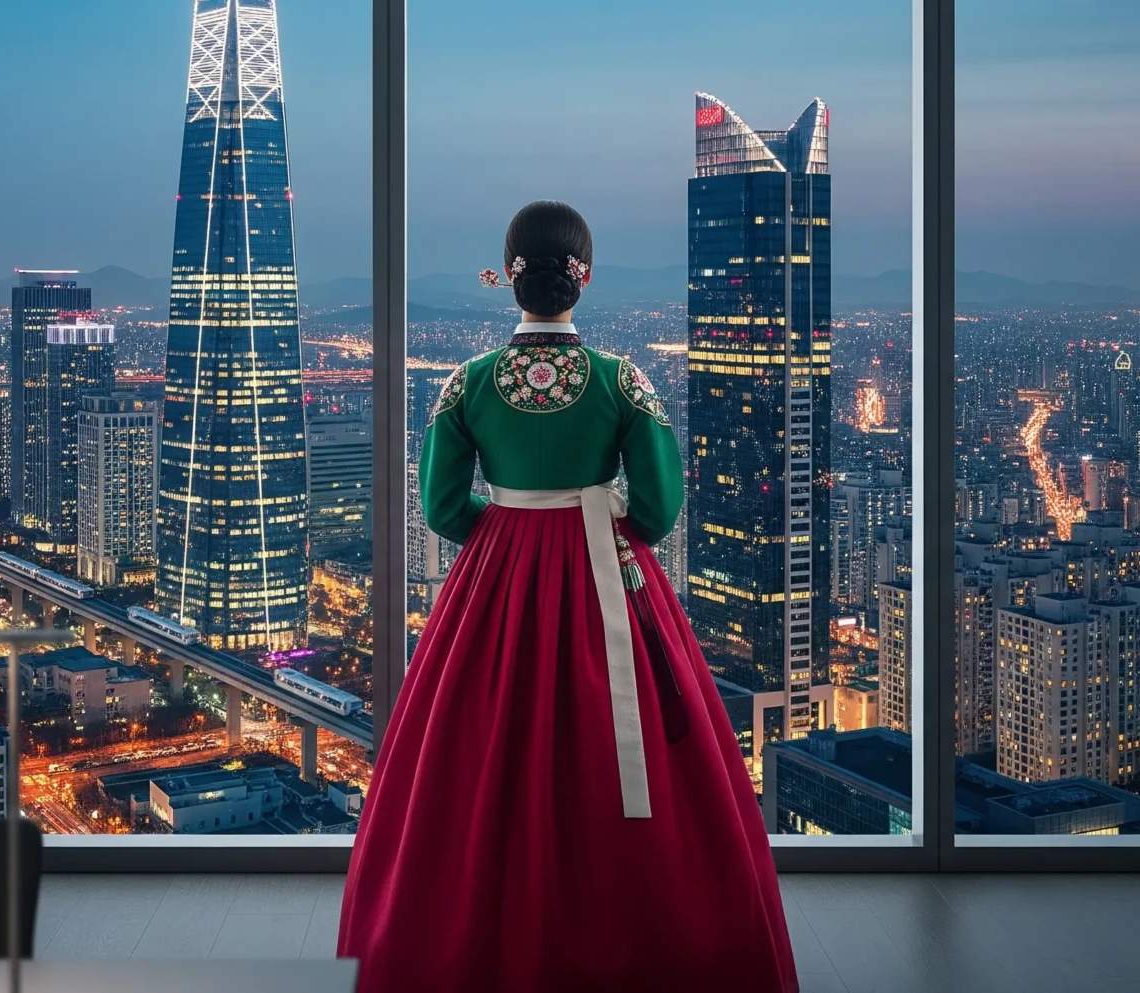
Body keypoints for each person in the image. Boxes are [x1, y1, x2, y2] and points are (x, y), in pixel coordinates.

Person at [337, 201, 797, 992]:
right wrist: (600, 519)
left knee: (470, 758)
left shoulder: (466, 383)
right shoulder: (625, 381)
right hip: (605, 574)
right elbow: (657, 508)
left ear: (508, 274)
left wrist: (505, 532)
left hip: (495, 577)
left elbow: (441, 508)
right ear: (584, 277)